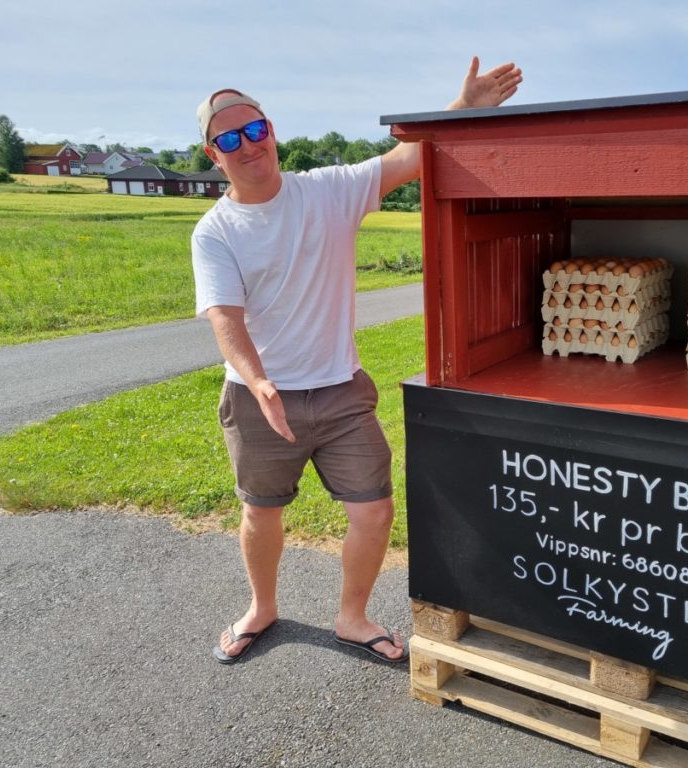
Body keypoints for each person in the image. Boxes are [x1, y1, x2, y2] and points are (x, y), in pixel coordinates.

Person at [192, 58, 522, 665]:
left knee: (373, 509)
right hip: (257, 397)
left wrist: (465, 107)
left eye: (255, 129)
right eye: (229, 139)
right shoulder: (215, 232)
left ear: (272, 131)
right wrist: (261, 381)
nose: (247, 146)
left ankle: (352, 616)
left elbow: (408, 159)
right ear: (214, 154)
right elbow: (225, 319)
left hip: (340, 389)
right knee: (261, 511)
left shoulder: (328, 191)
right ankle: (262, 608)